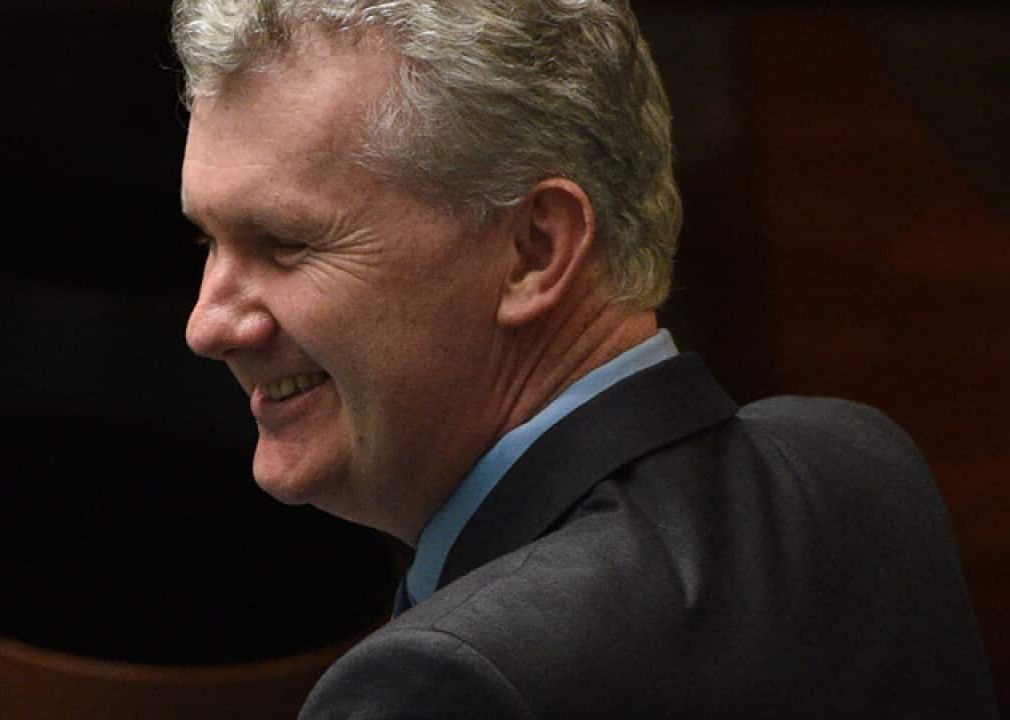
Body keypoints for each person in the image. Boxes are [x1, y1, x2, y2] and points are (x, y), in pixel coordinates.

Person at [173, 1, 997, 717]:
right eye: (209, 240)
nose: (206, 325)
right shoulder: (863, 471)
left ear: (536, 250)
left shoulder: (443, 684)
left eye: (284, 245)